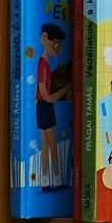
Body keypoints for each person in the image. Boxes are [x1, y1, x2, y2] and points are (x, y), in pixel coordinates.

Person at [35, 23, 71, 190]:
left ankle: (45, 181)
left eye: (59, 44)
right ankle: (56, 180)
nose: (58, 48)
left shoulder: (45, 64)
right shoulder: (43, 64)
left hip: (42, 106)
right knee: (51, 145)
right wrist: (66, 87)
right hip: (44, 106)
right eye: (56, 44)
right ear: (45, 39)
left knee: (46, 145)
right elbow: (47, 96)